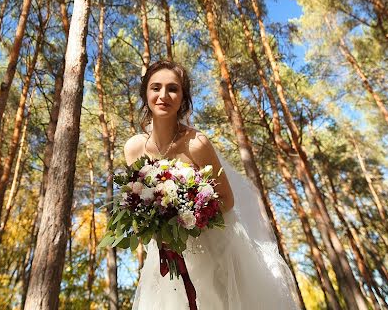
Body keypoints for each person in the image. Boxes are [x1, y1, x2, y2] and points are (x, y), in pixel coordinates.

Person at [124, 60, 301, 310]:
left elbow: (227, 200)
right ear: (145, 93)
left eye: (173, 89)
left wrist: (188, 216)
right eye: (156, 88)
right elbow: (139, 201)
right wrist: (158, 228)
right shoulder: (133, 148)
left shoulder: (197, 144)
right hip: (166, 252)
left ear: (183, 98)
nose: (163, 95)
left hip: (211, 249)